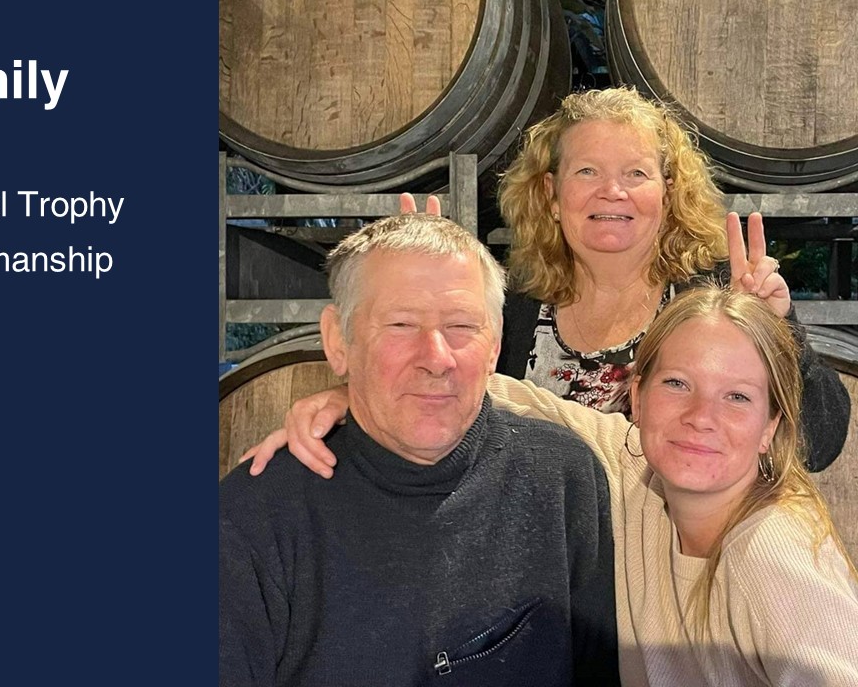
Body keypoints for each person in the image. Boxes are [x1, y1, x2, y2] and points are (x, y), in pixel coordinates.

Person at [248, 87, 848, 476]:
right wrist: (351, 403)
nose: (611, 191)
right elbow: (446, 401)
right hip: (542, 575)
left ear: (668, 193)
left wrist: (778, 334)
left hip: (671, 574)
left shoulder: (718, 299)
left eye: (635, 173)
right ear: (552, 195)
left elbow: (818, 445)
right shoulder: (511, 305)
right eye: (587, 171)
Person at [219, 214, 620, 686]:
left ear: (494, 345)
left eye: (461, 325)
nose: (436, 358)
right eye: (401, 324)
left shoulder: (562, 479)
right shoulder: (250, 520)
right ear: (337, 341)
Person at [488, 286, 858, 685]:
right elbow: (505, 397)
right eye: (677, 384)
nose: (701, 417)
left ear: (770, 427)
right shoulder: (636, 469)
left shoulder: (771, 554)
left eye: (737, 396)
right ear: (638, 398)